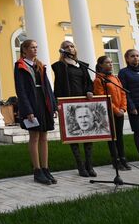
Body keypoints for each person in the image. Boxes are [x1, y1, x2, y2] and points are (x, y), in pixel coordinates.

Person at [14, 39, 58, 185]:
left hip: (43, 101)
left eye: (36, 47)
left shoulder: (40, 65)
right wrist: (27, 110)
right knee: (34, 137)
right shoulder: (20, 66)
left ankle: (46, 168)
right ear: (24, 50)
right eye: (32, 47)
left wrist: (53, 105)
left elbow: (48, 87)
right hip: (32, 103)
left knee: (44, 137)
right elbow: (21, 90)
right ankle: (37, 170)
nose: (35, 49)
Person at [52, 40, 96, 177]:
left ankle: (89, 164)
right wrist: (56, 104)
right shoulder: (60, 66)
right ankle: (80, 165)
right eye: (66, 47)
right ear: (62, 50)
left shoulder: (82, 65)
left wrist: (89, 91)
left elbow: (89, 83)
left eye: (71, 46)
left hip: (84, 103)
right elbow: (58, 86)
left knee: (88, 133)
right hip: (69, 104)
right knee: (74, 135)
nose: (70, 48)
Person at [93, 55, 130, 170]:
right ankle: (115, 160)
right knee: (113, 137)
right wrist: (115, 110)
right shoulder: (99, 79)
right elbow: (102, 97)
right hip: (109, 113)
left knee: (120, 136)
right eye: (107, 62)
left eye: (111, 62)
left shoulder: (115, 78)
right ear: (101, 65)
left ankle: (123, 158)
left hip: (119, 111)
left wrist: (123, 108)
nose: (111, 64)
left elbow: (123, 93)